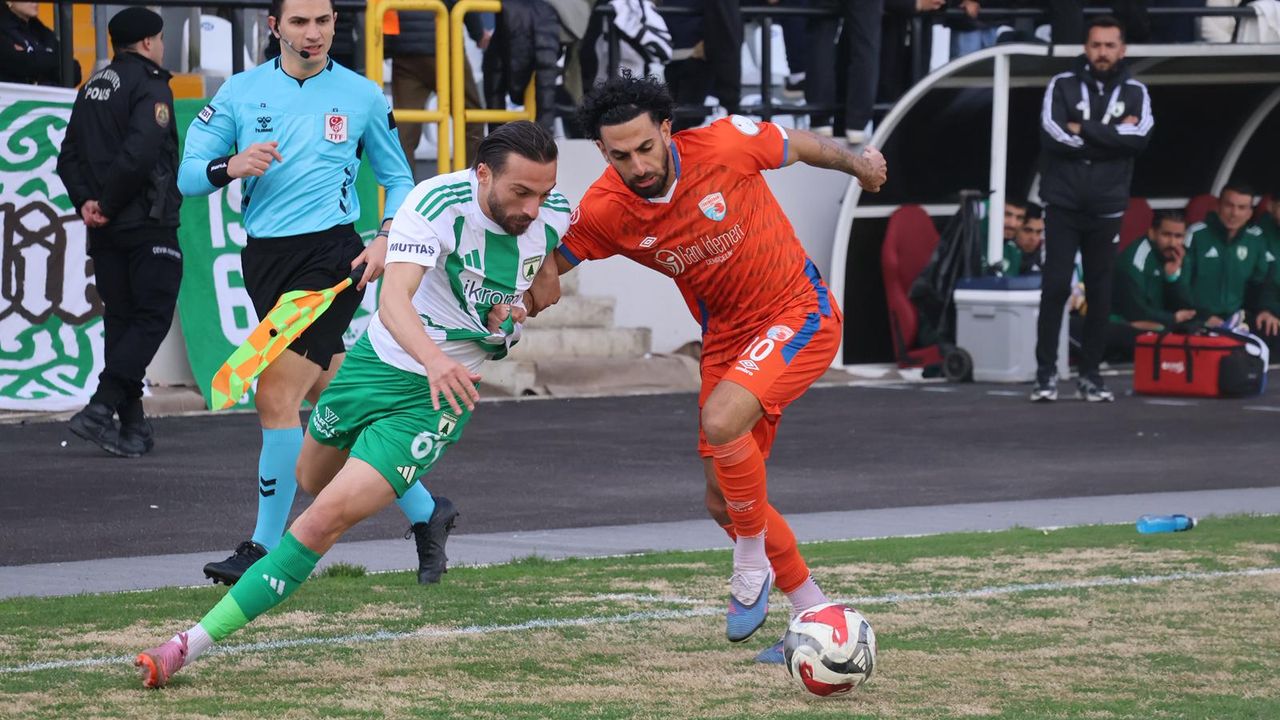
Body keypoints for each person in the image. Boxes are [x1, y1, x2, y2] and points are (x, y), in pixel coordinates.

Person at [134, 121, 566, 689]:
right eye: (521, 193)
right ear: (482, 174)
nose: (533, 208)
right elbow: (394, 301)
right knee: (310, 477)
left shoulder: (553, 213)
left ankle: (185, 646)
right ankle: (419, 500)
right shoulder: (435, 203)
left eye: (543, 193)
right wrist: (436, 354)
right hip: (375, 365)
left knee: (320, 520)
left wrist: (516, 308)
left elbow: (546, 282)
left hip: (438, 398)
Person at [533, 76, 886, 663]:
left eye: (645, 147)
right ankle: (815, 615)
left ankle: (750, 562)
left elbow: (798, 144)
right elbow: (549, 268)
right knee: (723, 501)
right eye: (620, 156)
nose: (638, 165)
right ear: (600, 151)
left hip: (798, 311)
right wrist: (511, 294)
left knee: (722, 423)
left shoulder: (724, 145)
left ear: (666, 129)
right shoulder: (605, 209)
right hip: (726, 340)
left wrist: (859, 166)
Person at [178, 0, 457, 587]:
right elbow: (188, 175)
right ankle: (429, 511)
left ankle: (263, 547)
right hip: (265, 260)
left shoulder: (361, 95)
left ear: (335, 24)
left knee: (274, 395)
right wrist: (232, 165)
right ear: (274, 27)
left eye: (323, 21)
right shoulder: (241, 91)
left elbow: (398, 177)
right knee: (340, 405)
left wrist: (386, 237)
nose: (313, 33)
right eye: (299, 22)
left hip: (332, 261)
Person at [57, 8, 180, 458]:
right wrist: (107, 204)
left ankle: (132, 428)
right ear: (148, 42)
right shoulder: (150, 85)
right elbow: (140, 153)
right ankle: (101, 407)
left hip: (105, 230)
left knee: (124, 321)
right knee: (151, 318)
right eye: (160, 39)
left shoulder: (91, 87)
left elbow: (67, 157)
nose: (161, 46)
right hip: (146, 222)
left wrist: (88, 204)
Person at [1032, 15, 1152, 403]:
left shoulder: (1136, 91)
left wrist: (1083, 129)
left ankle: (1091, 376)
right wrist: (1112, 139)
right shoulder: (1061, 84)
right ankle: (1046, 375)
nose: (1102, 52)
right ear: (1086, 47)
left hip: (1106, 207)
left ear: (1123, 49)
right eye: (1096, 45)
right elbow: (1053, 134)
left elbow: (1139, 137)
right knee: (1055, 287)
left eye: (1109, 45)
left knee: (1101, 292)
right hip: (1063, 204)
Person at [387, 0, 490, 171]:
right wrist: (478, 34)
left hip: (404, 51)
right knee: (470, 118)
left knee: (404, 130)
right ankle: (468, 182)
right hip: (444, 47)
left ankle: (403, 186)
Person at [1181, 183, 1280, 350]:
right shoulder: (1196, 235)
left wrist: (1266, 310)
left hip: (1236, 318)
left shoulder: (1255, 240)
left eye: (1242, 208)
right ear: (1218, 206)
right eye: (1229, 205)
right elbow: (1180, 284)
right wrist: (1203, 316)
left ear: (1249, 213)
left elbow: (1262, 283)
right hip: (1197, 317)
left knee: (1272, 330)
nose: (1234, 213)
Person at [1103, 210, 1194, 359]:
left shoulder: (1180, 256)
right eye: (1166, 235)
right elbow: (1135, 312)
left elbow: (1187, 306)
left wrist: (1173, 278)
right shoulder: (1134, 261)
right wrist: (1173, 318)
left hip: (1161, 321)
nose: (1173, 243)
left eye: (1178, 236)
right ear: (1152, 233)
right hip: (1123, 324)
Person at [0, 0, 78, 85]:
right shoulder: (3, 29)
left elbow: (74, 72)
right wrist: (53, 60)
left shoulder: (39, 29)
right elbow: (19, 63)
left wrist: (36, 59)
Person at [1004, 203, 1045, 277]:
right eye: (1028, 230)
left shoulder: (1046, 258)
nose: (1033, 238)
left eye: (1038, 232)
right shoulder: (998, 252)